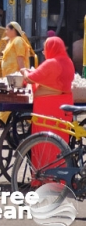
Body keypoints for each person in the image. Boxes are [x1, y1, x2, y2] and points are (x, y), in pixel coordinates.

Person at [20, 37, 75, 168]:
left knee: (44, 143)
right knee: (61, 143)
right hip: (64, 107)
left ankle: (45, 176)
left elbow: (30, 78)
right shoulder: (68, 62)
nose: (44, 52)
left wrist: (24, 70)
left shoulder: (51, 63)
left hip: (47, 108)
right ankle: (61, 175)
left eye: (45, 49)